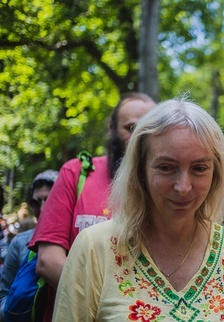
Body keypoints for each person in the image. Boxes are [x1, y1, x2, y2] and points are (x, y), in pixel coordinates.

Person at [52, 98, 224, 321]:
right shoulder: (95, 247)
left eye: (199, 168)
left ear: (216, 173)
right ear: (140, 171)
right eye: (165, 167)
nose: (183, 187)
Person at [28, 92, 156, 321]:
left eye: (149, 130)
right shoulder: (75, 173)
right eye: (131, 128)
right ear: (111, 127)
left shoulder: (164, 187)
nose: (139, 138)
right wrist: (111, 308)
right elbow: (48, 261)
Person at [0, 170, 58, 320]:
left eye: (50, 200)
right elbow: (4, 293)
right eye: (36, 203)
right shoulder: (20, 242)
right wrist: (15, 311)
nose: (43, 208)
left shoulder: (76, 239)